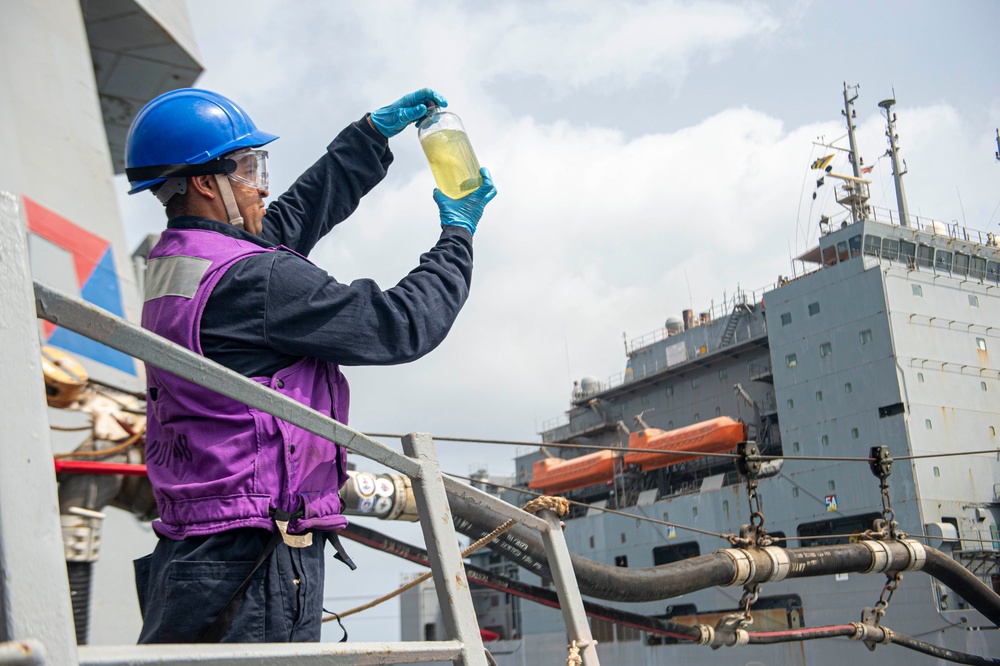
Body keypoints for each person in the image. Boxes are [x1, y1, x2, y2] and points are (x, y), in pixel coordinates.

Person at [124, 87, 496, 643]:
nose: (263, 186)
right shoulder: (257, 282)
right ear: (206, 182)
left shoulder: (177, 263)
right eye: (249, 169)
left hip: (193, 548)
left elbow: (286, 224)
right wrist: (458, 236)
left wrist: (368, 139)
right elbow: (400, 325)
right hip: (256, 555)